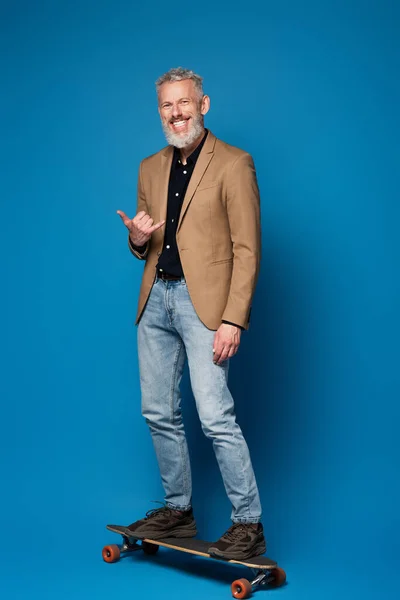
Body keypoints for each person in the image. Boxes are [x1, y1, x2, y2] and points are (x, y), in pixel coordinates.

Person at [116, 67, 264, 560]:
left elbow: (247, 248)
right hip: (156, 298)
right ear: (159, 110)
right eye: (166, 106)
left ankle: (248, 523)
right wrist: (137, 240)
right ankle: (178, 511)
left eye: (184, 103)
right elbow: (146, 242)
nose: (176, 113)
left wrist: (233, 319)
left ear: (203, 105)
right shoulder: (149, 167)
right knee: (158, 411)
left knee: (215, 417)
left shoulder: (234, 163)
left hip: (207, 308)